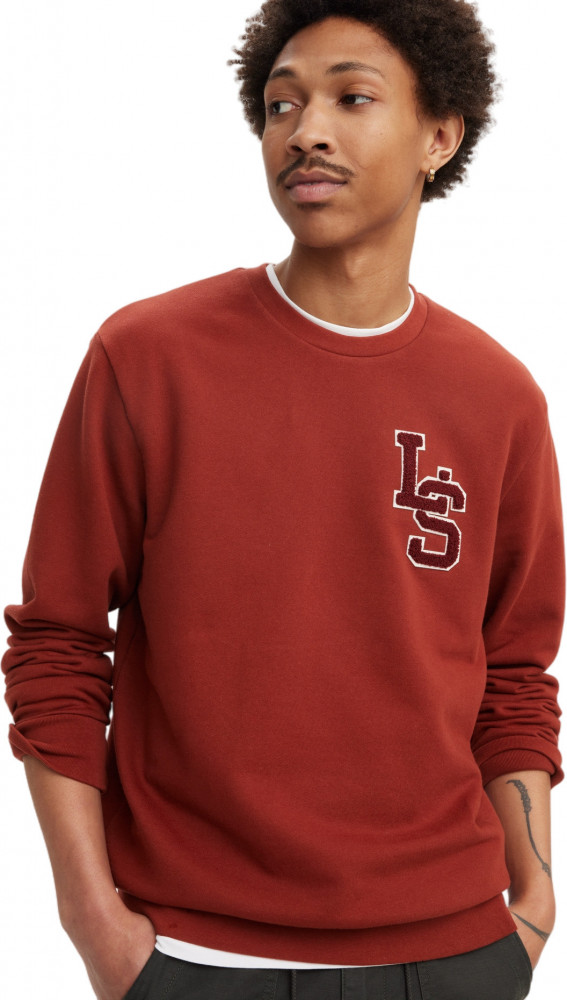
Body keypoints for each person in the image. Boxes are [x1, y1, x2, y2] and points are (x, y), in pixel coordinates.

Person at [2, 1, 564, 998]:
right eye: (281, 104)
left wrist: (533, 902)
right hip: (194, 958)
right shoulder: (148, 360)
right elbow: (58, 644)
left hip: (457, 952)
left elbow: (514, 674)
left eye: (352, 99)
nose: (305, 131)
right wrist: (93, 923)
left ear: (440, 136)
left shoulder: (498, 398)